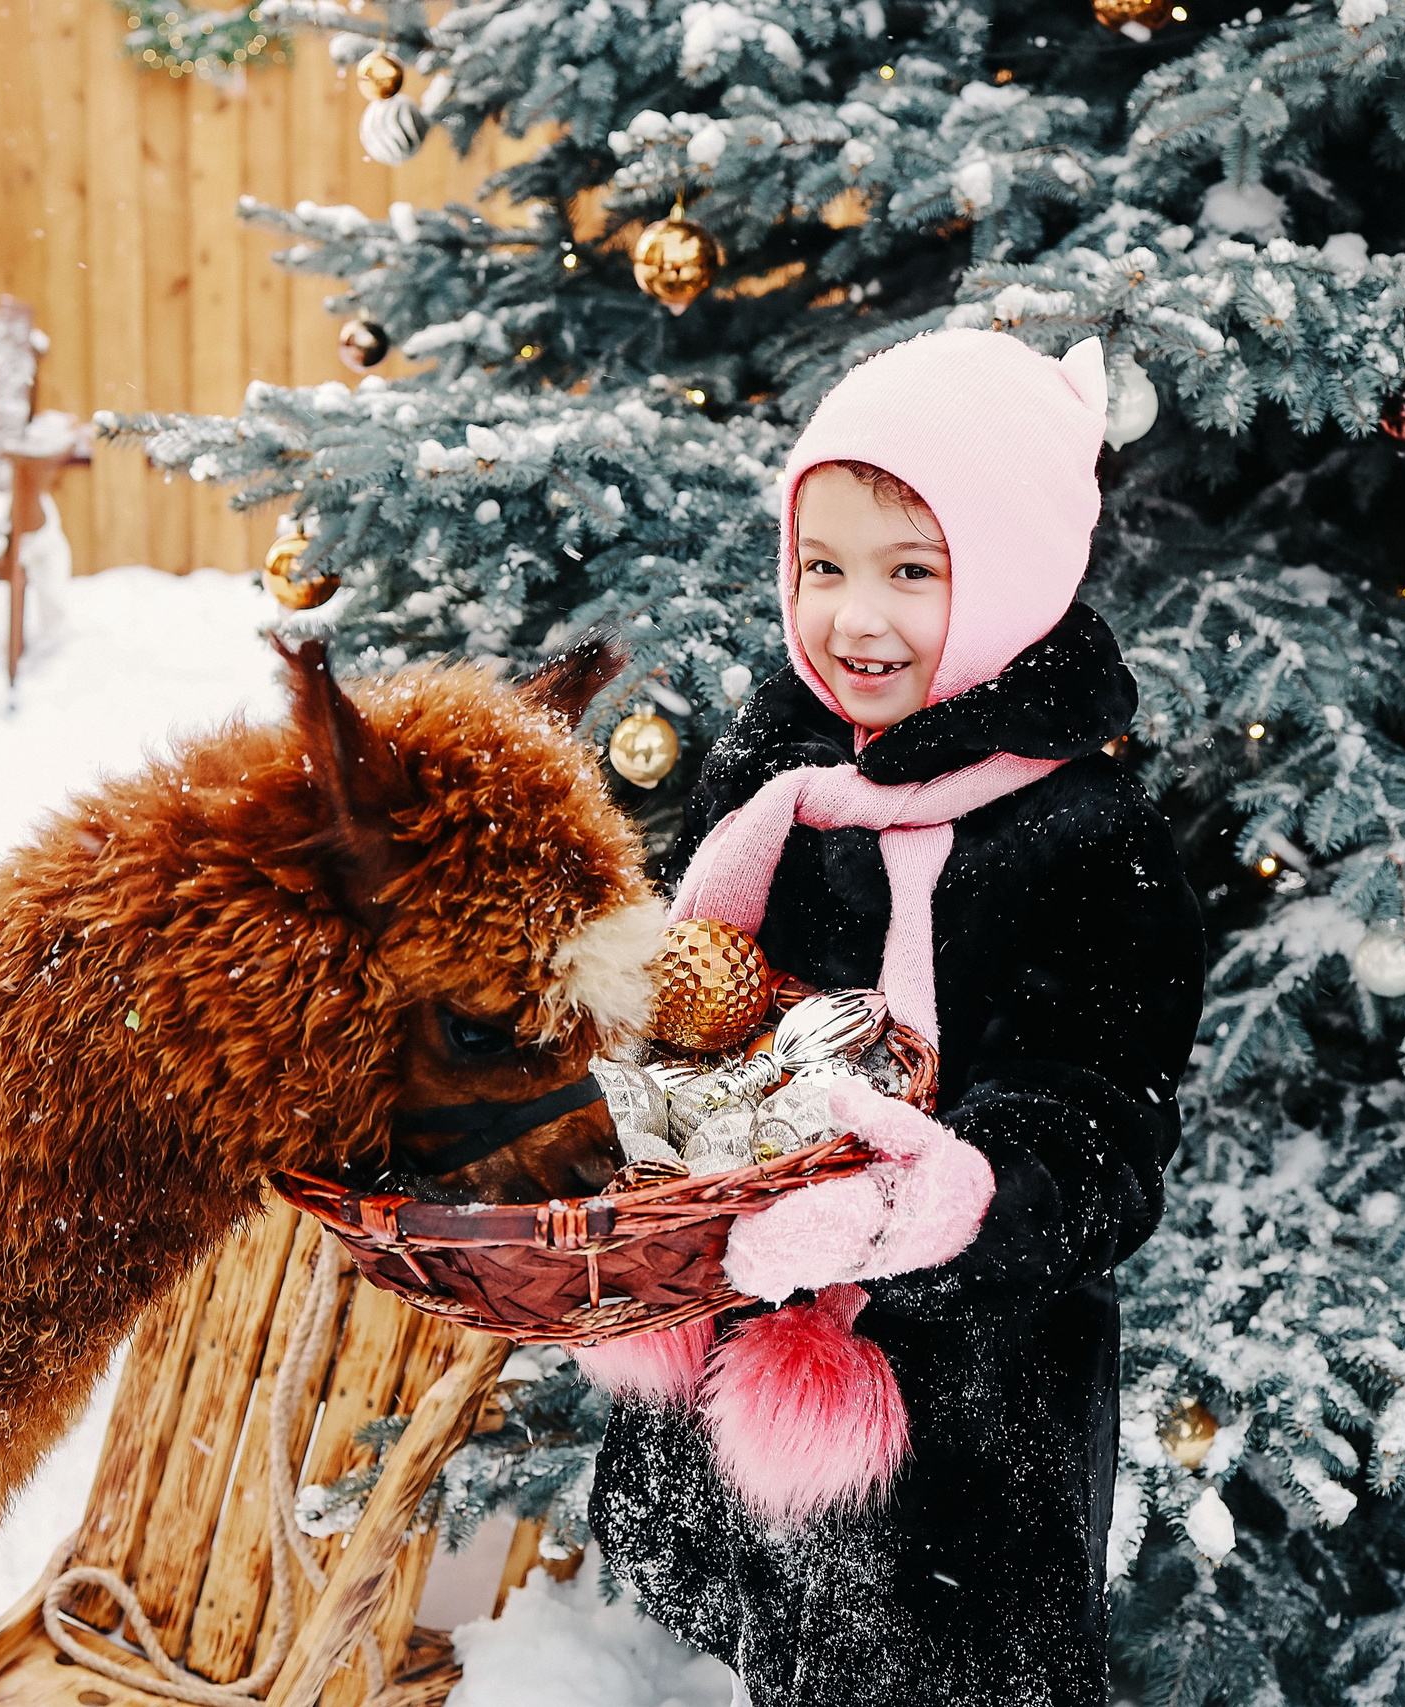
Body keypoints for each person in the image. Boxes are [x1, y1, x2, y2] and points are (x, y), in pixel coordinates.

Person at [581, 329, 1207, 1707]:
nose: (856, 622)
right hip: (742, 1345)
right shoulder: (775, 769)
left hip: (964, 1426)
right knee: (765, 1657)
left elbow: (1101, 1122)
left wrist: (952, 1200)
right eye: (825, 569)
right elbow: (703, 1001)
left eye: (913, 573)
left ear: (1013, 578)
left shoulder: (1086, 837)